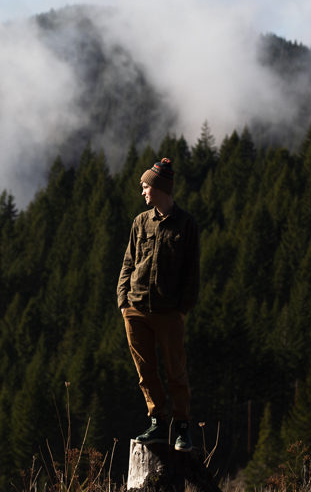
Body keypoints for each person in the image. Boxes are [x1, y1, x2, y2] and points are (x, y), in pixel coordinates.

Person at [116, 157, 200, 451]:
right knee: (146, 371)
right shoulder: (140, 221)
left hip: (168, 312)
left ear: (159, 187)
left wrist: (181, 309)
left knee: (176, 371)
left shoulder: (186, 224)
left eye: (145, 187)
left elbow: (192, 272)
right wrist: (123, 300)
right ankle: (157, 421)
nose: (142, 192)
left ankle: (182, 427)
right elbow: (129, 261)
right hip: (135, 309)